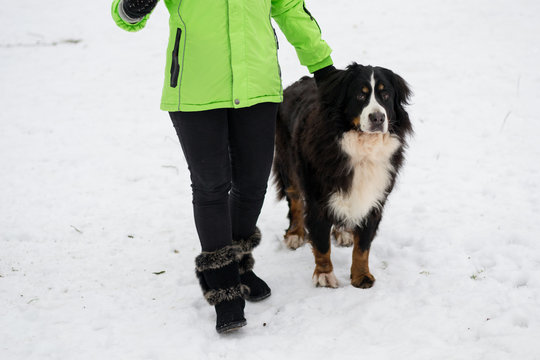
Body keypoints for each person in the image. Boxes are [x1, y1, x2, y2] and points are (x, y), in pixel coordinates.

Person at [111, 0, 335, 333]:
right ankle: (223, 286)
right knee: (211, 185)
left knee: (253, 182)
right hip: (194, 87)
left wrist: (322, 65)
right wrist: (134, 7)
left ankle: (239, 262)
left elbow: (289, 8)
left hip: (257, 86)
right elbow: (124, 15)